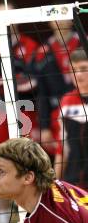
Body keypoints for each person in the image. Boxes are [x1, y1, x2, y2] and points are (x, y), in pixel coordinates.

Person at [0, 1, 40, 223]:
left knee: (28, 162)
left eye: (9, 16)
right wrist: (13, 82)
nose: (5, 20)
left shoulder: (31, 46)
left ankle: (32, 214)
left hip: (26, 112)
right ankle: (3, 218)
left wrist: (8, 83)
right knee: (1, 163)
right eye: (0, 16)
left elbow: (35, 82)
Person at [36, 18, 81, 156]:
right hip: (57, 111)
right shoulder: (44, 50)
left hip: (82, 105)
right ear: (50, 22)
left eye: (63, 17)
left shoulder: (83, 42)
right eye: (56, 18)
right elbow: (41, 92)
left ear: (72, 20)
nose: (60, 22)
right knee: (63, 153)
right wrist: (44, 127)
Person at [54, 49, 88, 188]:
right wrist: (53, 185)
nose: (78, 74)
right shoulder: (66, 101)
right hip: (74, 183)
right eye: (73, 69)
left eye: (84, 68)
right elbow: (62, 148)